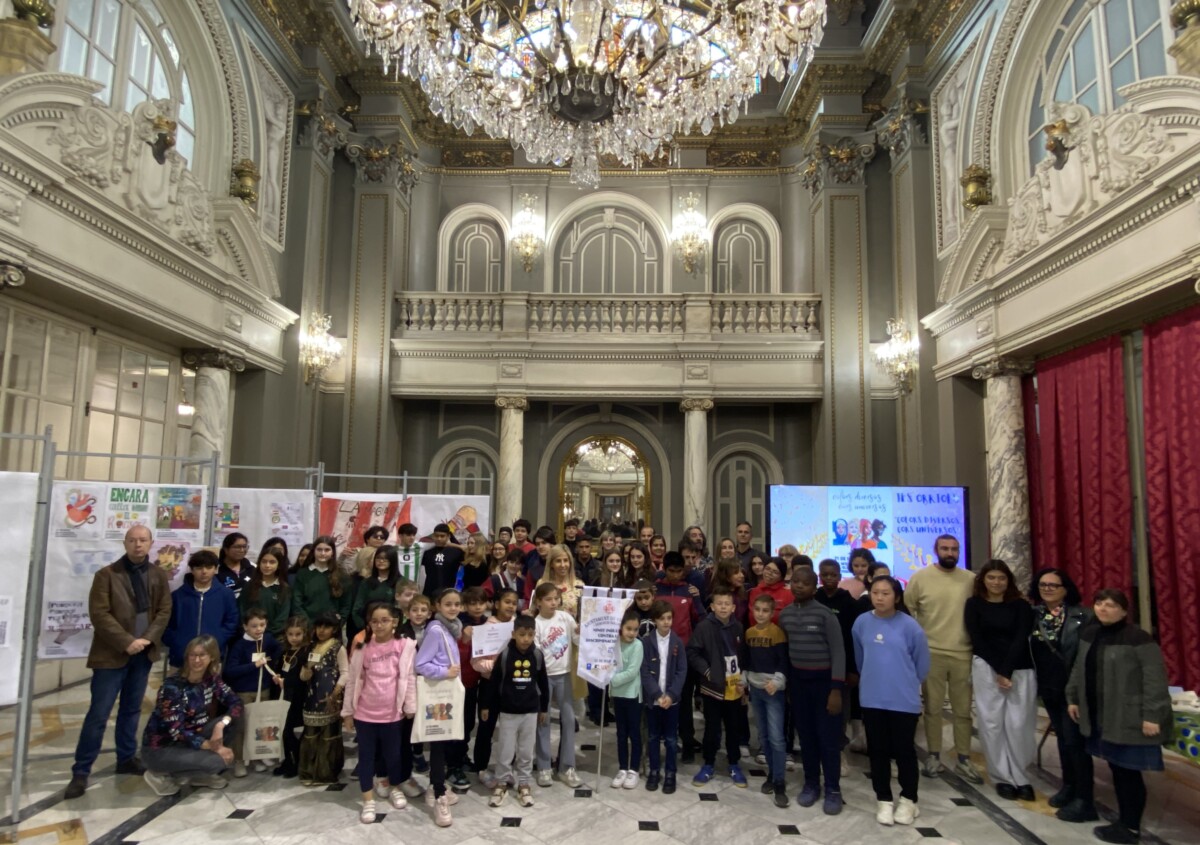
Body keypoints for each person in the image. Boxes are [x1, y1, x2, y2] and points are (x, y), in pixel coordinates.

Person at [65, 525, 172, 799]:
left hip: (143, 654)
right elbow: (99, 614)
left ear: (151, 543)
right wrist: (127, 641)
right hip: (111, 655)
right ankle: (81, 771)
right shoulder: (106, 575)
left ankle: (126, 757)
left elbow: (163, 611)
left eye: (143, 540)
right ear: (125, 543)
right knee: (98, 714)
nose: (138, 545)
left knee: (132, 709)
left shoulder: (158, 575)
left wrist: (147, 639)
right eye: (133, 540)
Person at [1067, 589, 1172, 845]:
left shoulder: (1139, 638)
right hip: (1103, 714)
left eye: (1111, 605)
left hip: (1130, 716)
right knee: (1117, 768)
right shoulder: (1090, 634)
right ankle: (1124, 821)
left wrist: (1152, 715)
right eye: (1100, 603)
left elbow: (1154, 680)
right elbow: (1079, 668)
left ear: (1124, 611)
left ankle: (1131, 827)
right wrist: (1072, 697)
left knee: (1129, 773)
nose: (1103, 608)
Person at [853, 576, 930, 826]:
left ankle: (909, 800)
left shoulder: (910, 627)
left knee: (904, 752)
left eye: (886, 593)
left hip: (903, 700)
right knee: (878, 751)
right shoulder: (862, 623)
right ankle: (883, 800)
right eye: (875, 592)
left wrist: (905, 683)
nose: (880, 597)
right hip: (872, 698)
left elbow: (922, 665)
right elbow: (860, 658)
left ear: (896, 597)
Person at [904, 535, 982, 782]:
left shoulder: (971, 580)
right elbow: (908, 611)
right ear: (935, 550)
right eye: (945, 548)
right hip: (932, 653)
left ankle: (963, 759)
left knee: (963, 711)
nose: (950, 552)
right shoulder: (920, 578)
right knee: (933, 708)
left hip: (963, 653)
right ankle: (934, 756)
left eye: (954, 549)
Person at [965, 559, 1037, 801]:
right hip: (986, 667)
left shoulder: (1021, 606)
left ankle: (1021, 776)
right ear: (983, 580)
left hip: (1020, 668)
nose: (996, 582)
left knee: (1018, 725)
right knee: (992, 723)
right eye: (991, 578)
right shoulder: (973, 604)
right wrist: (999, 670)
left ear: (1009, 581)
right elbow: (978, 639)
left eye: (1002, 578)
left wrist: (1006, 671)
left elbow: (1020, 637)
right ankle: (1001, 777)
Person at [1028, 568, 1096, 822]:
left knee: (1075, 743)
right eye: (1043, 584)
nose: (1047, 589)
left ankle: (1085, 799)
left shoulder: (1083, 616)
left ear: (1065, 589)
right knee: (1063, 741)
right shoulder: (1034, 615)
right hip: (1049, 688)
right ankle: (1069, 787)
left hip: (1073, 690)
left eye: (1053, 585)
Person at [341, 603, 418, 823]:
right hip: (365, 714)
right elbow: (352, 681)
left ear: (394, 621)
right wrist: (348, 712)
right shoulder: (361, 647)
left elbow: (409, 678)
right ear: (369, 623)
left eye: (385, 620)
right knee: (366, 758)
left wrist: (410, 706)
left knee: (393, 756)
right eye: (375, 621)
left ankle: (394, 787)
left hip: (392, 715)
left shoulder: (404, 646)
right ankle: (368, 800)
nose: (379, 625)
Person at [778, 567, 845, 814]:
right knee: (806, 738)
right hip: (798, 684)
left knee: (827, 739)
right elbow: (785, 652)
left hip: (825, 684)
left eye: (804, 583)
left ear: (814, 587)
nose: (798, 586)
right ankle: (811, 784)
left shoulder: (825, 615)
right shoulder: (784, 615)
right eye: (795, 581)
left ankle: (833, 789)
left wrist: (836, 689)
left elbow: (838, 652)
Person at [140, 635, 244, 796]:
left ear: (212, 657)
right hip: (161, 749)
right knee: (217, 762)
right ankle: (160, 773)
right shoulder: (172, 687)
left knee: (234, 721)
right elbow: (176, 731)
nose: (196, 660)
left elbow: (236, 702)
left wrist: (221, 724)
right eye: (192, 655)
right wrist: (212, 747)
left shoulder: (211, 679)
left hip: (192, 738)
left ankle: (196, 773)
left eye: (202, 655)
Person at [482, 614, 548, 809]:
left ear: (534, 634)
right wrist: (486, 705)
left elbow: (543, 684)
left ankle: (524, 783)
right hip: (508, 712)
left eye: (529, 634)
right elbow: (493, 683)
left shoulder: (537, 655)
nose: (526, 639)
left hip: (530, 711)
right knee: (506, 750)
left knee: (526, 751)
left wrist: (543, 707)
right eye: (521, 634)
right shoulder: (504, 656)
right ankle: (501, 783)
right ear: (513, 635)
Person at [414, 587, 466, 827]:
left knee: (444, 743)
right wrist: (445, 672)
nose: (453, 608)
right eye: (448, 604)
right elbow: (421, 664)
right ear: (438, 606)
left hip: (447, 695)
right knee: (438, 744)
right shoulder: (436, 630)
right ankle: (437, 793)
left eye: (456, 604)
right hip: (438, 695)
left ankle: (438, 786)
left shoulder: (450, 628)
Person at [688, 587, 748, 788]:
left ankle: (734, 763)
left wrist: (744, 684)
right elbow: (693, 653)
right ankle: (709, 763)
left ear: (733, 607)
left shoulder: (738, 628)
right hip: (712, 688)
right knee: (712, 728)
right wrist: (707, 672)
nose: (723, 607)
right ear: (712, 606)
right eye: (719, 604)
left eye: (727, 604)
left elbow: (743, 657)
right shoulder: (704, 627)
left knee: (733, 727)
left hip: (734, 688)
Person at [531, 581, 582, 788]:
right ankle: (544, 766)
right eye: (548, 599)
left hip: (564, 674)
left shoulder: (566, 618)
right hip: (544, 678)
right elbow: (535, 654)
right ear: (539, 602)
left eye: (556, 599)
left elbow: (577, 640)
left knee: (568, 719)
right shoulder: (536, 623)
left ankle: (567, 766)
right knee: (542, 720)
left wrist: (581, 630)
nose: (553, 603)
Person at [223, 607, 283, 776]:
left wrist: (275, 668)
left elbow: (280, 652)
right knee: (242, 727)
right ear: (245, 627)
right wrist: (253, 666)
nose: (259, 629)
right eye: (254, 626)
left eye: (262, 625)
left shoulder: (268, 639)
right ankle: (239, 761)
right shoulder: (240, 645)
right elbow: (230, 671)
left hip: (263, 690)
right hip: (244, 692)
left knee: (261, 725)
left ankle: (258, 757)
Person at [655, 552, 702, 762]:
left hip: (683, 654)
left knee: (683, 702)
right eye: (671, 571)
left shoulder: (689, 591)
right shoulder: (656, 589)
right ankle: (661, 741)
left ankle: (688, 743)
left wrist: (698, 598)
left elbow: (699, 617)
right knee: (659, 699)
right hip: (658, 654)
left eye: (679, 571)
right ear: (664, 569)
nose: (675, 575)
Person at [815, 558, 861, 774]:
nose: (830, 579)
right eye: (825, 575)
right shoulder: (814, 599)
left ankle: (839, 752)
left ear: (840, 576)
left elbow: (853, 639)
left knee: (840, 712)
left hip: (841, 667)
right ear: (819, 576)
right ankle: (821, 751)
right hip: (817, 664)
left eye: (833, 575)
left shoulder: (849, 603)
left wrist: (852, 669)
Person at [473, 587, 521, 786]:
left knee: (511, 728)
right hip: (490, 685)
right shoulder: (485, 627)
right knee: (486, 726)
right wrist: (497, 668)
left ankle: (507, 767)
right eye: (507, 601)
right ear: (497, 604)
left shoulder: (518, 626)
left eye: (514, 602)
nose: (511, 606)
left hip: (513, 686)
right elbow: (476, 662)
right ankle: (482, 768)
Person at [745, 593, 789, 807]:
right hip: (755, 688)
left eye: (765, 610)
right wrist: (745, 681)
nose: (761, 614)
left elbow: (783, 661)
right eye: (758, 609)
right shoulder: (749, 633)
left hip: (773, 690)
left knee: (776, 737)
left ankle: (780, 780)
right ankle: (771, 774)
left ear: (772, 613)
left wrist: (778, 681)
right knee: (763, 735)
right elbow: (746, 661)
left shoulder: (777, 633)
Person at [298, 610, 349, 786]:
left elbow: (345, 672)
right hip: (312, 697)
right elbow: (303, 678)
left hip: (331, 698)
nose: (321, 630)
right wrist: (307, 668)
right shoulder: (310, 648)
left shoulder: (338, 647)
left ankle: (326, 773)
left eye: (326, 627)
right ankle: (308, 772)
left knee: (328, 735)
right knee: (310, 735)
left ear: (334, 629)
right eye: (319, 626)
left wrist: (336, 692)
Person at [163, 550, 239, 668]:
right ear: (192, 570)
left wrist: (218, 639)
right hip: (182, 656)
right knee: (177, 686)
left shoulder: (226, 595)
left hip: (212, 657)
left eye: (209, 567)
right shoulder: (178, 596)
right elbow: (166, 624)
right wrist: (176, 641)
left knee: (210, 686)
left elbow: (232, 622)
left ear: (215, 569)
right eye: (199, 568)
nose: (204, 572)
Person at [641, 600, 687, 795]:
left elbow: (681, 670)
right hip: (654, 700)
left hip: (672, 701)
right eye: (662, 619)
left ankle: (670, 772)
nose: (666, 622)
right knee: (652, 737)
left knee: (670, 739)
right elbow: (644, 671)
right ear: (655, 621)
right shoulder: (646, 642)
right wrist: (657, 695)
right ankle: (654, 770)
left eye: (669, 618)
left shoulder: (677, 642)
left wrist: (671, 694)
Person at [609, 607, 645, 789]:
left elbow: (631, 672)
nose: (632, 633)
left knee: (634, 733)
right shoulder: (614, 643)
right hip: (618, 696)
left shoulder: (638, 646)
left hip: (632, 696)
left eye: (635, 629)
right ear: (621, 628)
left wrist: (611, 680)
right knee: (621, 734)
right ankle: (623, 768)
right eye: (629, 628)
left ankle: (634, 770)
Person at [273, 616, 309, 778]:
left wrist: (286, 681)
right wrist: (277, 677)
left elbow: (302, 677)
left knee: (292, 731)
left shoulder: (305, 652)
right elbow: (280, 670)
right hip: (284, 697)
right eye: (291, 634)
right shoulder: (284, 652)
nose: (294, 638)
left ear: (304, 634)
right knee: (283, 730)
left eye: (298, 634)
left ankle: (296, 762)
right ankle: (287, 760)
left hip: (298, 697)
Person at [293, 535, 353, 624]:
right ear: (313, 551)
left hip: (332, 627)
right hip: (307, 626)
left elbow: (346, 605)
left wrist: (338, 623)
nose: (323, 553)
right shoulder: (303, 574)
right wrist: (307, 624)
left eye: (327, 550)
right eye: (319, 549)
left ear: (333, 552)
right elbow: (297, 603)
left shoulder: (342, 575)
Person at [240, 547, 291, 637]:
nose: (267, 565)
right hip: (251, 636)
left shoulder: (284, 588)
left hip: (274, 638)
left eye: (272, 562)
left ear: (279, 565)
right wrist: (251, 630)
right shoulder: (250, 586)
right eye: (264, 561)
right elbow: (242, 610)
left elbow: (283, 617)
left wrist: (268, 634)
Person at [352, 545, 401, 633]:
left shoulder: (401, 582)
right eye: (378, 558)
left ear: (393, 560)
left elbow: (402, 609)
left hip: (392, 630)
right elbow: (357, 608)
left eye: (385, 559)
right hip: (367, 629)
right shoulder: (366, 582)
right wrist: (365, 627)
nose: (381, 561)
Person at [421, 523, 466, 600]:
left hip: (448, 593)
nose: (439, 538)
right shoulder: (427, 552)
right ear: (433, 536)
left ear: (448, 536)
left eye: (442, 536)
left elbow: (473, 552)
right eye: (436, 536)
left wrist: (456, 546)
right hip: (429, 593)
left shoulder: (457, 552)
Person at [748, 558, 791, 625]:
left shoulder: (788, 593)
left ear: (781, 577)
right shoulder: (755, 591)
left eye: (775, 572)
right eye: (767, 569)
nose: (769, 573)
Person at [216, 533, 254, 597]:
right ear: (226, 549)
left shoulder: (252, 568)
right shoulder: (216, 569)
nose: (242, 550)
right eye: (237, 547)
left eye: (244, 547)